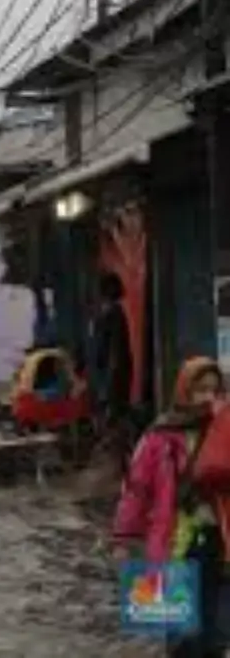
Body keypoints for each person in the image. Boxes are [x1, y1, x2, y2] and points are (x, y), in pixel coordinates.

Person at [113, 357, 230, 656]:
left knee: (218, 636)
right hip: (173, 542)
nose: (208, 398)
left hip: (221, 541)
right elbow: (137, 489)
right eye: (200, 389)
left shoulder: (224, 432)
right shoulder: (159, 437)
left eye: (215, 391)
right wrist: (124, 538)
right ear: (184, 390)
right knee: (180, 640)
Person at [93, 272, 134, 467]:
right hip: (112, 375)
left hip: (114, 376)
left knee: (115, 418)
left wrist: (109, 383)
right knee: (114, 418)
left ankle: (120, 464)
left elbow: (114, 351)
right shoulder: (109, 313)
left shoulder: (113, 314)